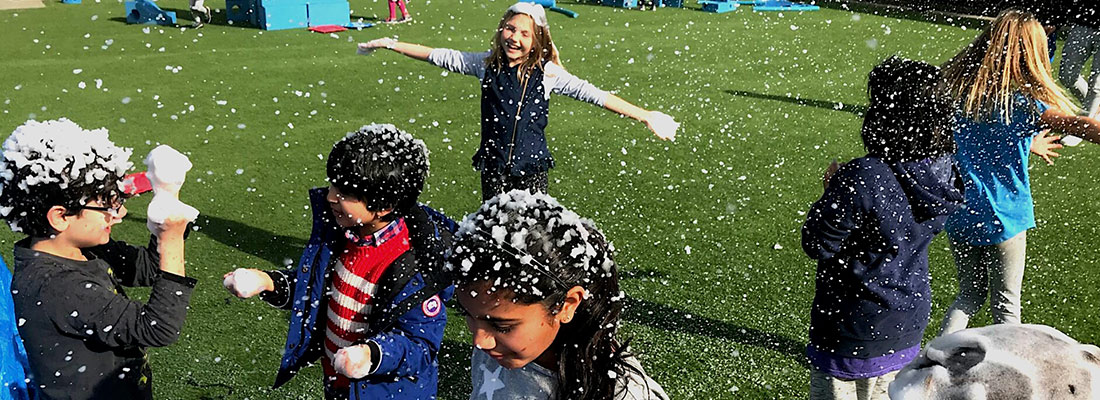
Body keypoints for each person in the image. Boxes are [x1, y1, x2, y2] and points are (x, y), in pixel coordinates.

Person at [222, 124, 454, 400]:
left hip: (385, 392)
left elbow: (421, 345)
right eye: (333, 183)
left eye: (346, 192)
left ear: (384, 206)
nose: (331, 196)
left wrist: (371, 355)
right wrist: (269, 282)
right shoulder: (344, 235)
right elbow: (319, 288)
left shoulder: (415, 265)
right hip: (339, 382)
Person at [357, 2, 678, 201]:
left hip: (532, 168)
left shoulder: (549, 74)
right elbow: (438, 56)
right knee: (494, 231)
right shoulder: (484, 65)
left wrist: (645, 115)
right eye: (510, 29)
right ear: (500, 31)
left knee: (533, 234)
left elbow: (596, 96)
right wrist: (390, 42)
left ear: (536, 41)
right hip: (494, 167)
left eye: (524, 33)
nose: (515, 37)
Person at [800, 56, 964, 400]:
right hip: (905, 320)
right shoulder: (943, 170)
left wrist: (833, 192)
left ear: (888, 115)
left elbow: (818, 242)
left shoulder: (865, 176)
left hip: (852, 326)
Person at [1, 119, 196, 399]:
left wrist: (168, 196)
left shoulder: (79, 248)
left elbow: (147, 268)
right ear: (60, 217)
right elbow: (159, 328)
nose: (119, 213)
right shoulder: (56, 286)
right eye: (105, 202)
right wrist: (172, 239)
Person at [938, 9, 1100, 335]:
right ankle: (1009, 381)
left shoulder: (960, 94)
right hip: (1004, 216)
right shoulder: (1026, 105)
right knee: (1006, 308)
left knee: (968, 296)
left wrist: (1029, 145)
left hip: (959, 210)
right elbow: (1080, 125)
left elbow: (980, 141)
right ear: (1034, 55)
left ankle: (937, 361)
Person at [447, 189, 669, 400]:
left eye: (502, 326)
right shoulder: (499, 349)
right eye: (467, 314)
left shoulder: (621, 393)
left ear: (567, 305)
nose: (479, 341)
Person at [1058, 1, 1100, 119]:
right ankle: (1094, 111)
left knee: (1097, 85)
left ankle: (1083, 127)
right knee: (1067, 76)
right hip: (1083, 22)